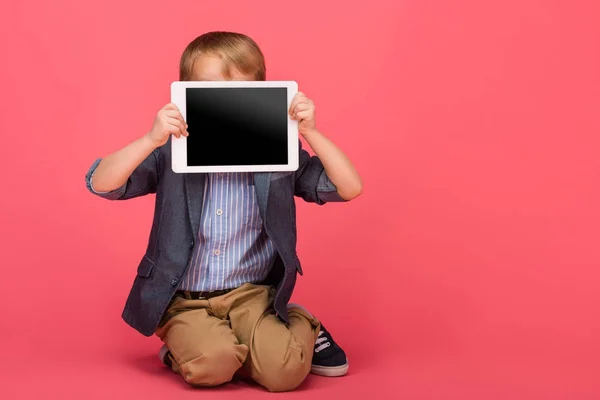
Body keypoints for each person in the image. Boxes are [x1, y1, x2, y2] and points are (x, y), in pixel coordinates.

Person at [85, 31, 363, 392]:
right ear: (185, 95)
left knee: (285, 375)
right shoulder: (170, 151)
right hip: (184, 300)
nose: (224, 104)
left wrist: (312, 132)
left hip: (252, 295)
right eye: (208, 92)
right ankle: (190, 349)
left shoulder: (278, 151)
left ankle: (301, 322)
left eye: (239, 91)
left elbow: (348, 188)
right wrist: (150, 139)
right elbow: (102, 183)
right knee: (213, 366)